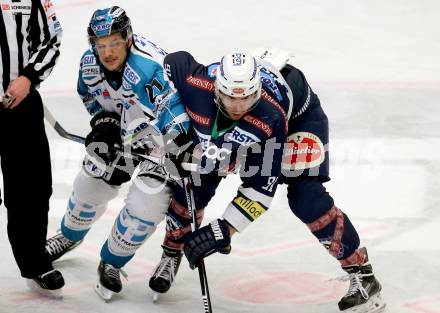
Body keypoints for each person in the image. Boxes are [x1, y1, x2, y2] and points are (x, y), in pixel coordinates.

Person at [150, 49, 385, 313]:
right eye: (230, 98)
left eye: (247, 98)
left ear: (258, 91)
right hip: (247, 123)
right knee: (196, 177)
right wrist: (173, 129)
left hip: (296, 119)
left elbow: (261, 191)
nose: (238, 107)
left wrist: (223, 230)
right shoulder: (197, 83)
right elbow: (173, 62)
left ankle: (362, 274)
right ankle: (172, 251)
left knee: (306, 196)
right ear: (217, 90)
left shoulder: (269, 118)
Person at [43, 6, 189, 301]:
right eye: (101, 45)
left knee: (146, 204)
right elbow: (90, 96)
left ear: (128, 39)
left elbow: (176, 117)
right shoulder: (89, 64)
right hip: (126, 131)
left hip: (159, 141)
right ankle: (69, 236)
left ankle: (112, 262)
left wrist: (175, 150)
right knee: (91, 182)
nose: (107, 52)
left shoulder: (150, 69)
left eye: (114, 43)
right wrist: (103, 122)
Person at [0, 0, 65, 298]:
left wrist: (28, 77)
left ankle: (35, 262)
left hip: (20, 105)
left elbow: (51, 38)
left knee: (33, 188)